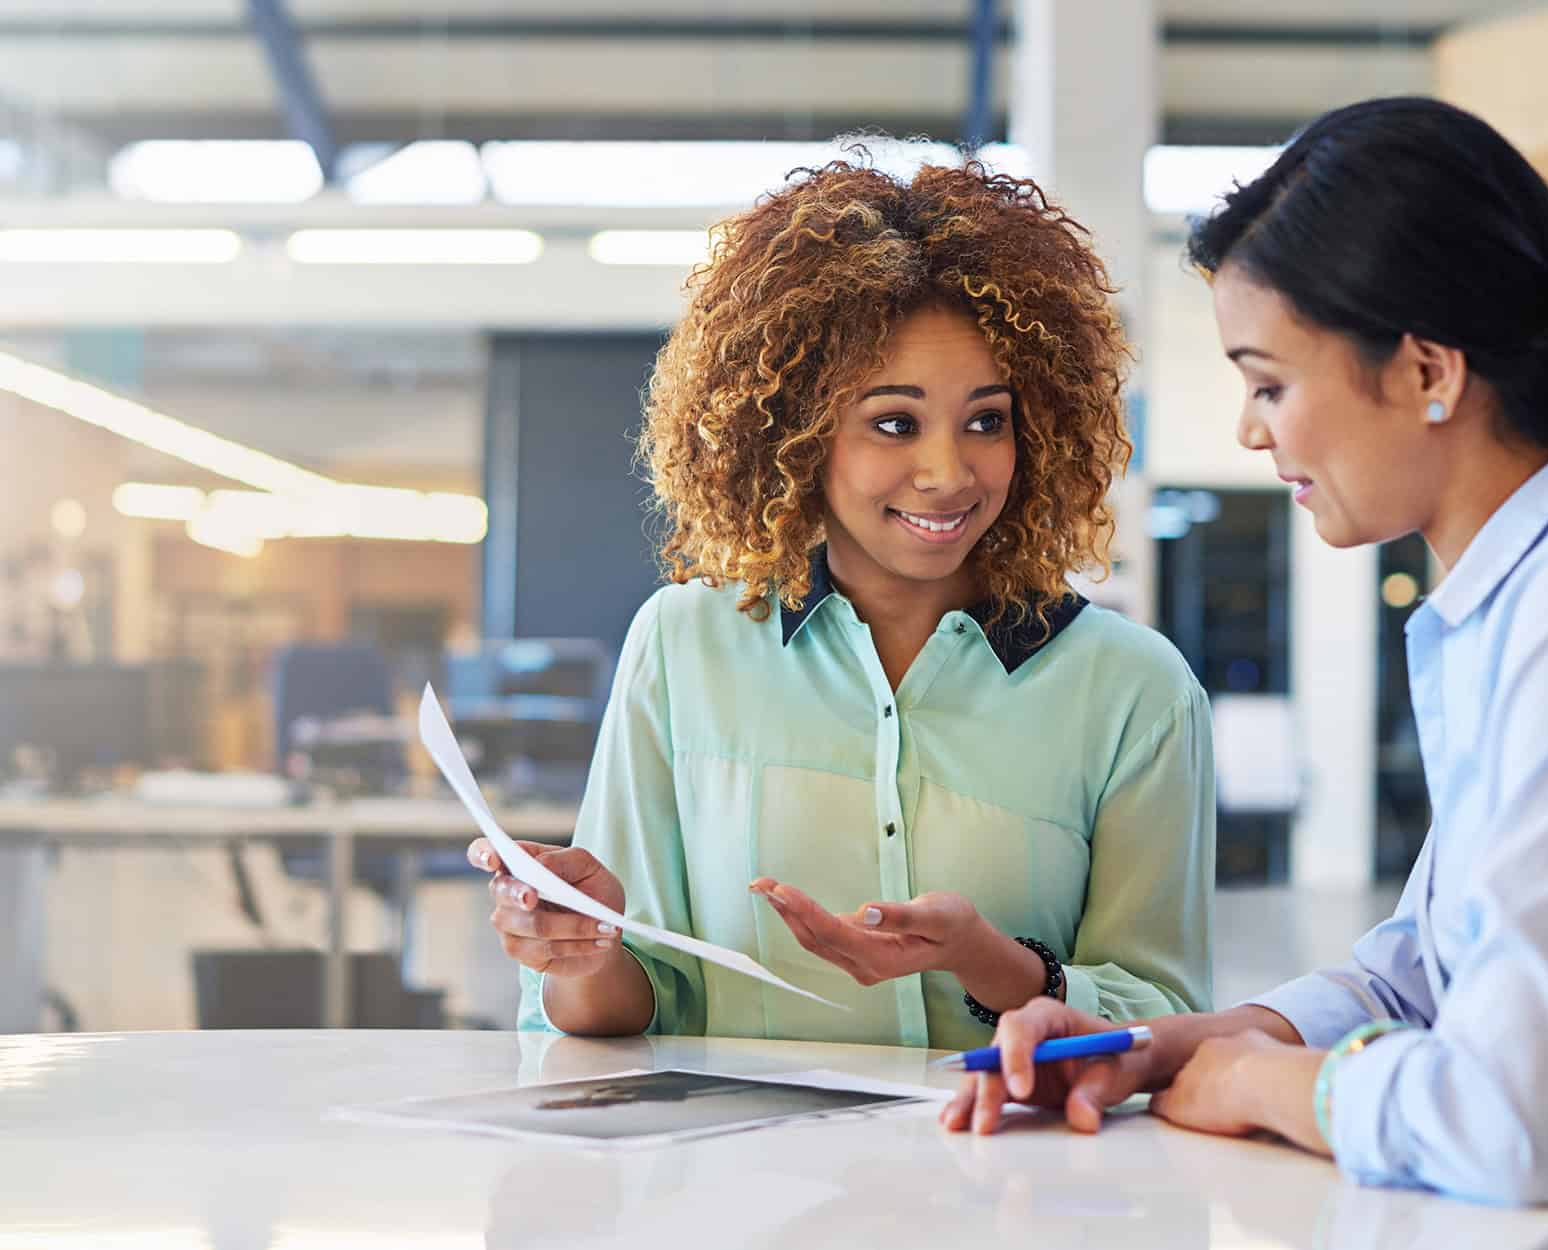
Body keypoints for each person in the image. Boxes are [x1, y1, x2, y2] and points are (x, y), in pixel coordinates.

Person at [941, 98, 1548, 1250]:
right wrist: (1177, 1045)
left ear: (1424, 371)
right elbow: (1418, 966)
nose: (1254, 433)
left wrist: (1269, 1084)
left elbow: (1515, 1123)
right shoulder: (1514, 601)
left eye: (1267, 383)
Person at [468, 155, 1214, 1053]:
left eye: (988, 421)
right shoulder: (684, 646)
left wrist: (994, 965)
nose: (947, 473)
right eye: (894, 423)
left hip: (1014, 1181)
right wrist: (582, 955)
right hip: (743, 1184)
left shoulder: (1135, 691)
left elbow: (1163, 1015)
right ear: (797, 433)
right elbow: (634, 1010)